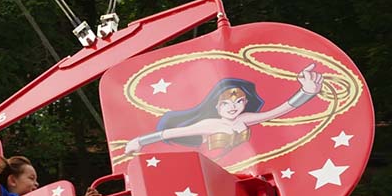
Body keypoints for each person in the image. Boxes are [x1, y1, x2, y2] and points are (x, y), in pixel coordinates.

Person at [124, 63, 324, 160]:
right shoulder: (209, 124)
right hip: (212, 169)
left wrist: (306, 92)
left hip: (239, 169)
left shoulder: (244, 118)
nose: (233, 106)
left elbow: (277, 112)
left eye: (239, 101)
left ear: (245, 103)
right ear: (217, 106)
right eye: (227, 103)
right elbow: (170, 133)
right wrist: (139, 142)